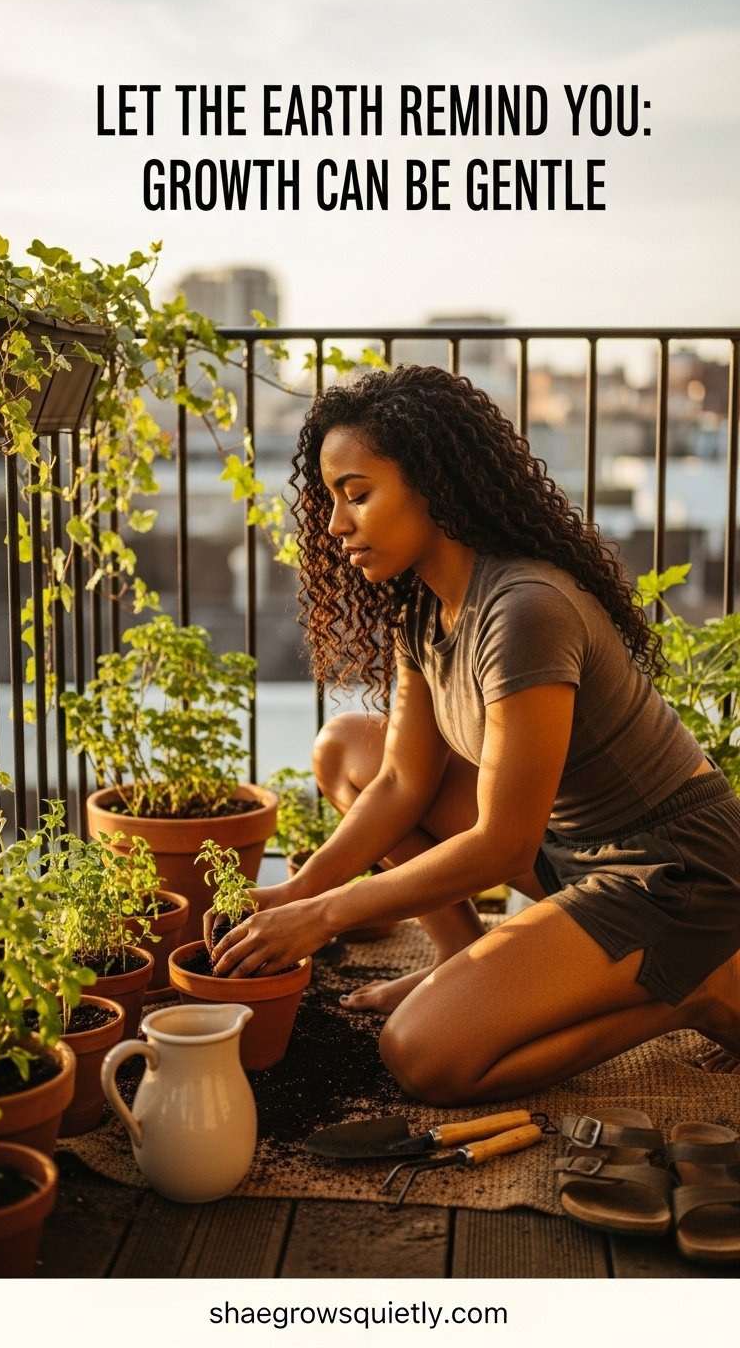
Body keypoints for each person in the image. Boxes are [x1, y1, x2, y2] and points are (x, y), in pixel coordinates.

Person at [207, 363, 740, 1105]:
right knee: (347, 750)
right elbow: (399, 783)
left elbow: (502, 846)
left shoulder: (525, 610)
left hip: (671, 873)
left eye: (357, 495)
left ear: (435, 484)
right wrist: (299, 889)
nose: (334, 526)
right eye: (330, 500)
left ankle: (692, 991)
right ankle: (468, 962)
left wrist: (323, 915)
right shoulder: (421, 608)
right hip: (570, 850)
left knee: (424, 1054)